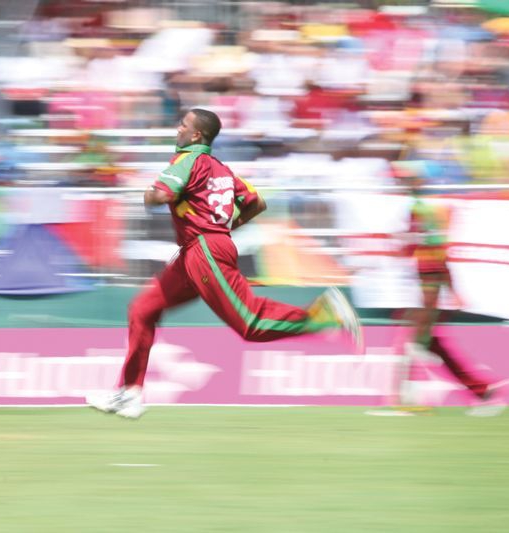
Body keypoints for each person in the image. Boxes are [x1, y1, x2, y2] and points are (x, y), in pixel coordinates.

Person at [87, 108, 362, 419]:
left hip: (204, 250)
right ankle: (130, 392)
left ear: (196, 136)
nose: (177, 129)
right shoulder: (222, 169)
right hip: (199, 250)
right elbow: (257, 202)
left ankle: (321, 315)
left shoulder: (187, 160)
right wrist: (224, 227)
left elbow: (162, 195)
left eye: (183, 125)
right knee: (142, 309)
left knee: (250, 324)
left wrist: (148, 196)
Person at [389, 172, 509, 416]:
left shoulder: (425, 212)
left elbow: (437, 255)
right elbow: (414, 249)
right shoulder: (415, 210)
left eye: (406, 180)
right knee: (430, 346)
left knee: (415, 344)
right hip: (424, 288)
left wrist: (449, 292)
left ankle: (408, 401)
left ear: (417, 183)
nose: (401, 185)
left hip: (429, 290)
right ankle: (484, 392)